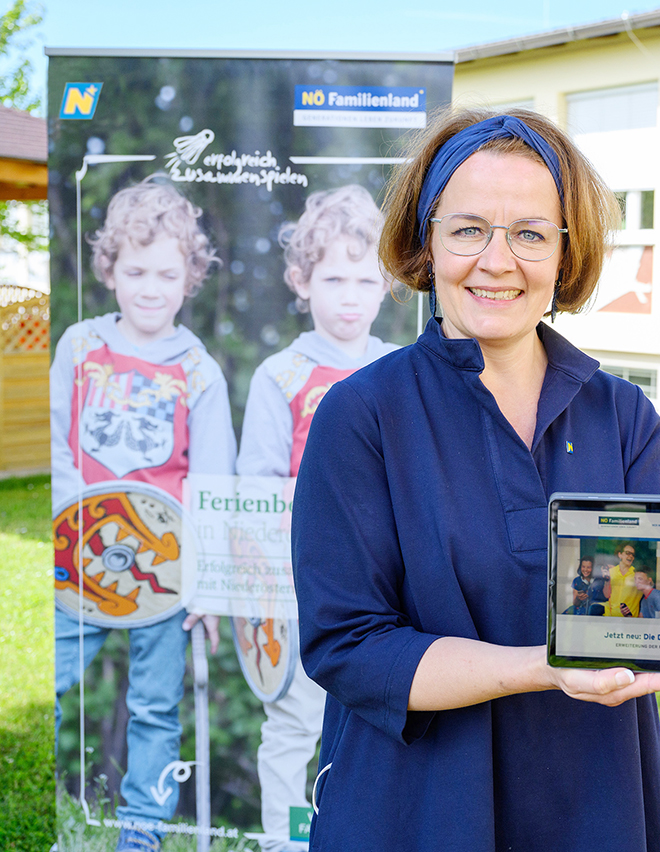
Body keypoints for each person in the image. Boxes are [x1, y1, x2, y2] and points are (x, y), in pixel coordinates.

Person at [289, 107, 660, 851]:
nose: (497, 260)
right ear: (426, 239)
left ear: (564, 252)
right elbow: (350, 648)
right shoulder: (361, 415)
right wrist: (546, 668)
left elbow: (652, 614)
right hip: (415, 816)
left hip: (594, 809)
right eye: (468, 229)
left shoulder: (624, 414)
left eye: (530, 234)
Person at [49, 175, 235, 852]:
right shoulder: (79, 347)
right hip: (79, 563)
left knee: (156, 709)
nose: (150, 287)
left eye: (166, 273)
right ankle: (34, 804)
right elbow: (56, 446)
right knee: (48, 685)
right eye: (135, 271)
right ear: (109, 269)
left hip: (165, 573)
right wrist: (70, 524)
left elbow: (213, 483)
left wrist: (208, 586)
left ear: (190, 278)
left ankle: (142, 838)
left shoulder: (199, 370)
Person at [235, 185, 394, 852]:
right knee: (295, 723)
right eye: (333, 279)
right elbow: (256, 491)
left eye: (365, 280)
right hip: (299, 592)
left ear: (387, 285)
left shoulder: (400, 372)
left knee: (376, 725)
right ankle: (283, 842)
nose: (350, 296)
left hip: (385, 596)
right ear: (302, 281)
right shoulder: (280, 375)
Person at [605, 542, 642, 617]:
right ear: (620, 555)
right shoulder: (611, 572)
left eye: (633, 554)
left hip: (629, 618)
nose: (630, 556)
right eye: (628, 553)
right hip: (611, 616)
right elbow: (606, 595)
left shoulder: (637, 574)